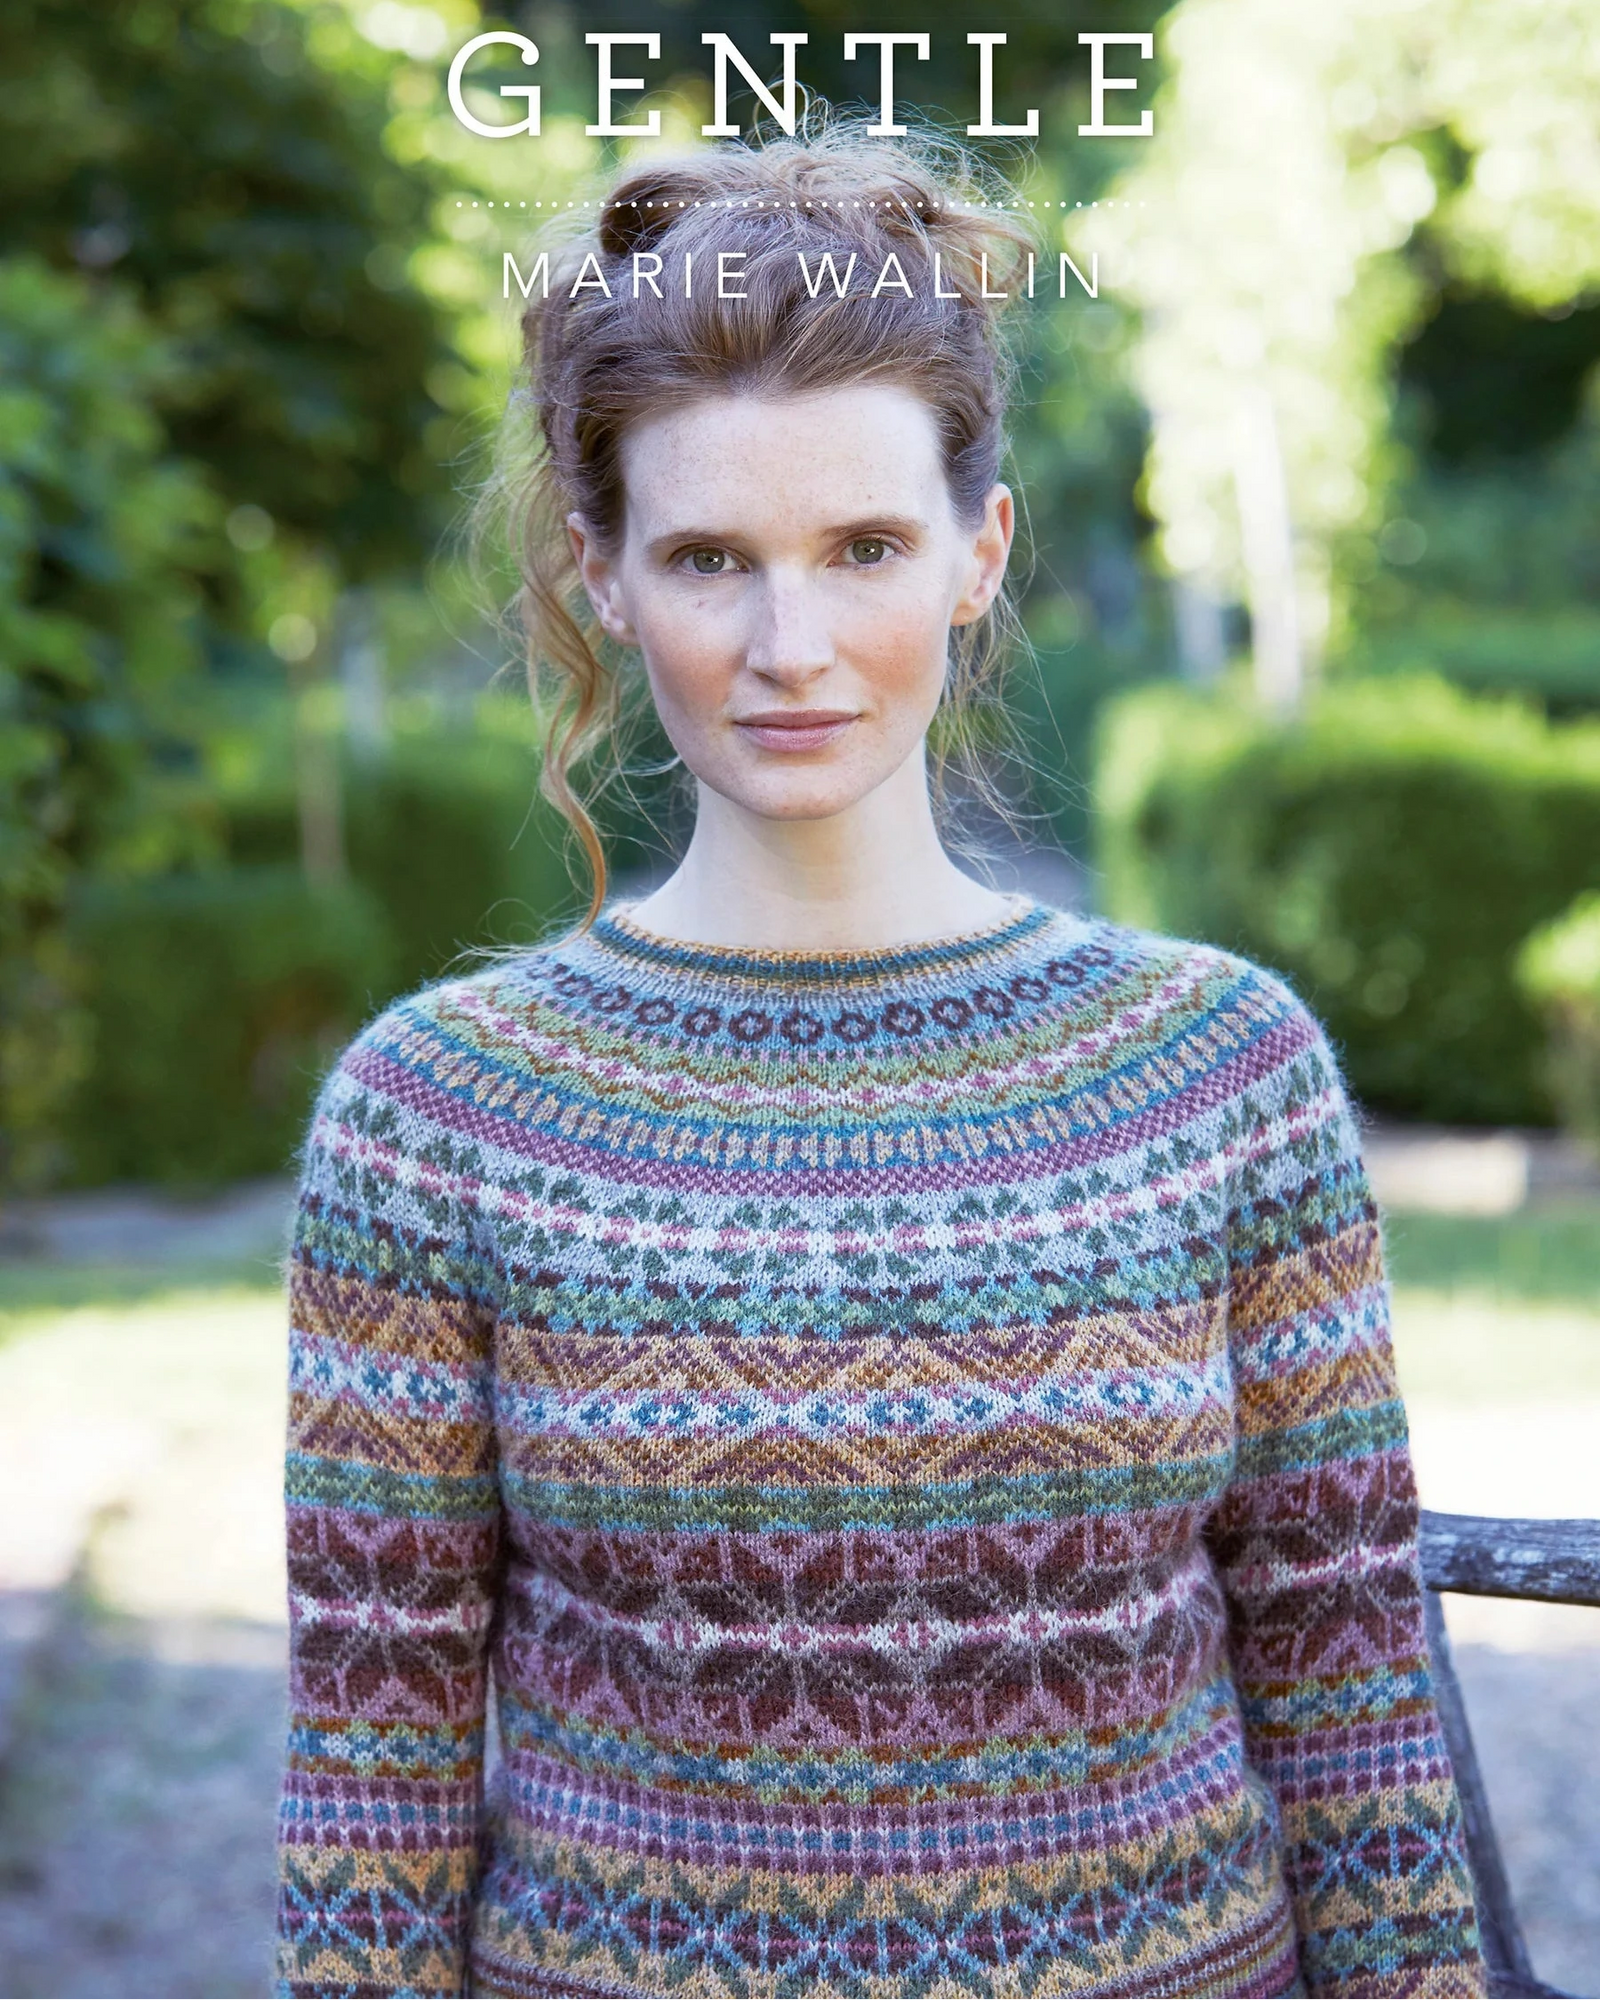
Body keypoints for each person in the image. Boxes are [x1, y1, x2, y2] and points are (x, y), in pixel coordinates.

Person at [273, 121, 1487, 2000]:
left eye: (863, 549)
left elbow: (1352, 1695)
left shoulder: (1217, 1072)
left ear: (976, 555)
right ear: (603, 577)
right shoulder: (436, 1122)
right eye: (708, 558)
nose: (793, 645)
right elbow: (372, 1777)